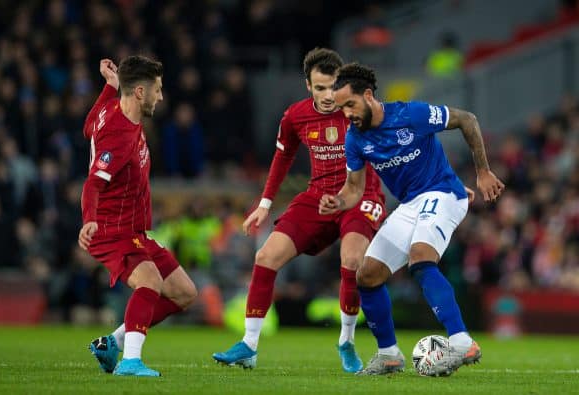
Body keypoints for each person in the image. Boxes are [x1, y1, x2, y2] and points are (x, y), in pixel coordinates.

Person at [319, 63, 504, 376]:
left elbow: (466, 119)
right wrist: (337, 201)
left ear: (368, 95)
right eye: (341, 109)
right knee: (367, 274)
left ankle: (461, 341)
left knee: (421, 257)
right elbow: (354, 189)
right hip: (409, 205)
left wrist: (483, 171)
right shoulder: (355, 139)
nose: (347, 114)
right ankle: (389, 354)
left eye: (350, 104)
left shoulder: (411, 114)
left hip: (444, 193)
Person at [212, 48, 386, 373]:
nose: (327, 95)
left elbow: (395, 145)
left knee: (351, 261)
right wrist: (264, 205)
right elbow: (282, 158)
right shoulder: (295, 115)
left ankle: (346, 341)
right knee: (265, 256)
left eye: (332, 87)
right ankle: (249, 346)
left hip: (361, 194)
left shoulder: (359, 111)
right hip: (318, 195)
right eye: (319, 88)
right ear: (308, 85)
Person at [79, 57, 197, 377]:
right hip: (112, 230)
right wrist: (89, 218)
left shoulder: (113, 111)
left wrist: (109, 87)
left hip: (135, 231)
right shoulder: (118, 134)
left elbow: (89, 126)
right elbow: (93, 182)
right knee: (150, 281)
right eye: (158, 90)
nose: (161, 96)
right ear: (141, 92)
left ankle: (113, 343)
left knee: (185, 292)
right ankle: (130, 361)